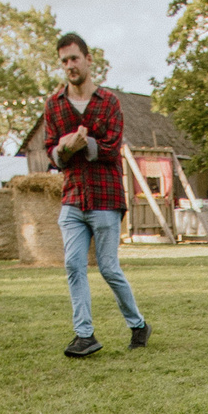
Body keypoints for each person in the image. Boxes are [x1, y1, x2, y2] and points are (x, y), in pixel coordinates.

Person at [42, 31, 148, 358]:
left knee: (108, 268)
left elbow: (112, 148)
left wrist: (83, 144)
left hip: (105, 198)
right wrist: (63, 148)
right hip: (73, 198)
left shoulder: (109, 102)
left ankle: (138, 324)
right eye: (64, 61)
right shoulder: (54, 105)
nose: (70, 65)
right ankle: (84, 335)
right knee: (73, 265)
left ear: (88, 60)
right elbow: (51, 152)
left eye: (75, 58)